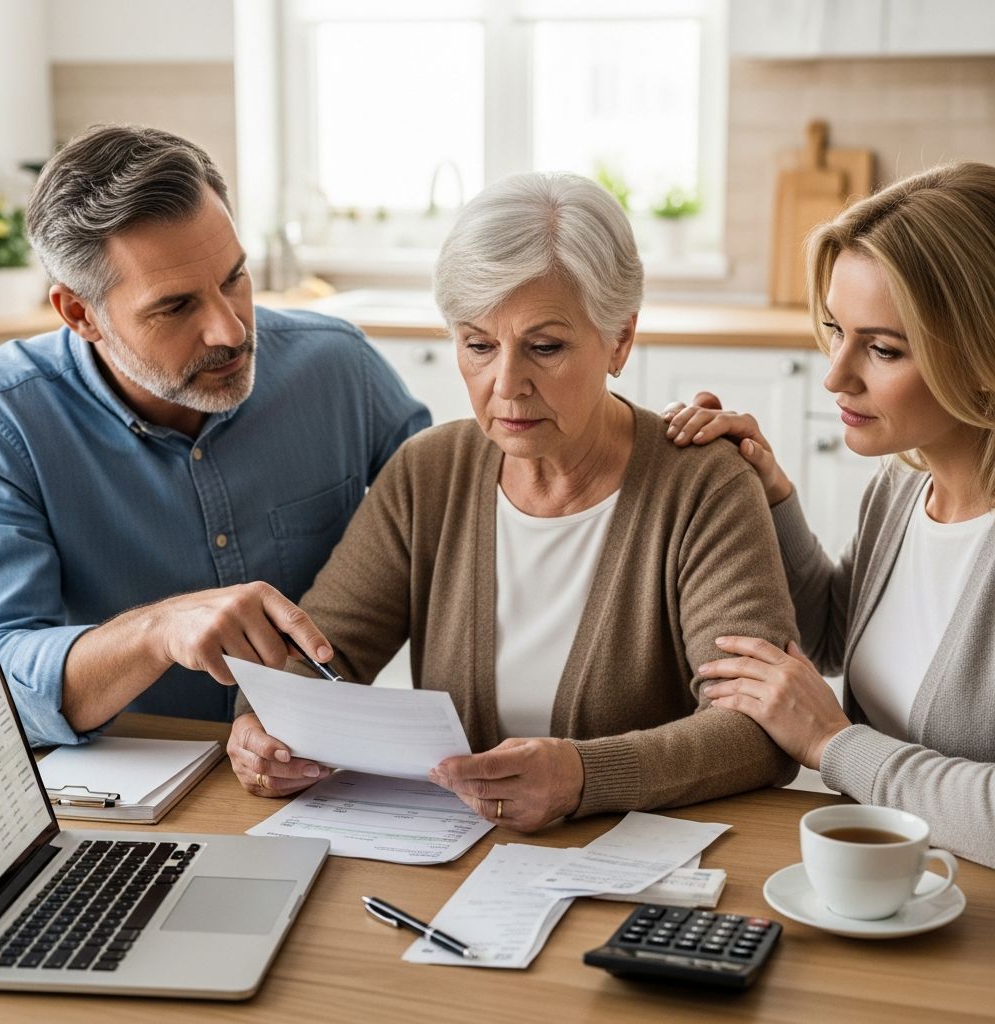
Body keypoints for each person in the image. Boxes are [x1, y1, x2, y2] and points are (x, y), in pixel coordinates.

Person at [228, 171, 800, 829]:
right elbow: (324, 655)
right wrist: (262, 729)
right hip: (458, 856)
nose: (506, 385)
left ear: (620, 338)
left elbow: (758, 729)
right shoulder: (428, 473)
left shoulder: (703, 484)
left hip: (630, 868)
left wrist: (585, 778)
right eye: (478, 345)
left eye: (545, 347)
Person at [0, 124, 429, 747]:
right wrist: (159, 629)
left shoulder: (339, 368)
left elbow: (454, 534)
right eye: (177, 306)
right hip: (133, 800)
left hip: (322, 775)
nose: (231, 330)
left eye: (235, 278)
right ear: (80, 314)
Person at [663, 161, 995, 867]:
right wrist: (769, 493)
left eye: (882, 348)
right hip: (880, 886)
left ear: (983, 356)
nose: (836, 375)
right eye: (835, 330)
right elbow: (837, 637)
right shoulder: (903, 490)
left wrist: (833, 744)